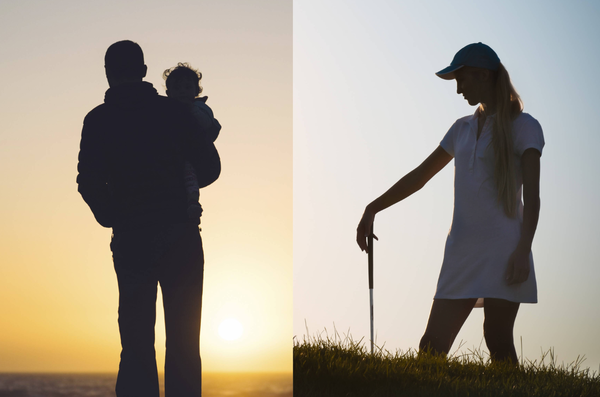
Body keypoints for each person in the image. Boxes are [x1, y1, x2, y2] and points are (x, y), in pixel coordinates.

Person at [356, 43, 544, 364]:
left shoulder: (524, 126)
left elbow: (533, 197)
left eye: (462, 80)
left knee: (497, 339)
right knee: (431, 347)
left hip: (506, 250)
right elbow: (420, 176)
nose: (458, 90)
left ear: (483, 75)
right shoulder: (461, 128)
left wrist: (523, 250)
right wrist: (372, 208)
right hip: (461, 250)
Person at [77, 40, 220, 396]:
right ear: (143, 72)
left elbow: (88, 181)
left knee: (137, 345)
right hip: (181, 237)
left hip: (132, 241)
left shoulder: (98, 120)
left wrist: (113, 216)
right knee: (185, 346)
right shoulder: (176, 113)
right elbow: (210, 169)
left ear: (109, 74)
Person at [163, 62, 222, 220]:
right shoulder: (165, 111)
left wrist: (189, 109)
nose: (182, 92)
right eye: (177, 88)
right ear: (169, 92)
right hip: (174, 156)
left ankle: (193, 202)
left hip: (193, 156)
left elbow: (206, 123)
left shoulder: (201, 107)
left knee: (189, 174)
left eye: (187, 87)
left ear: (196, 91)